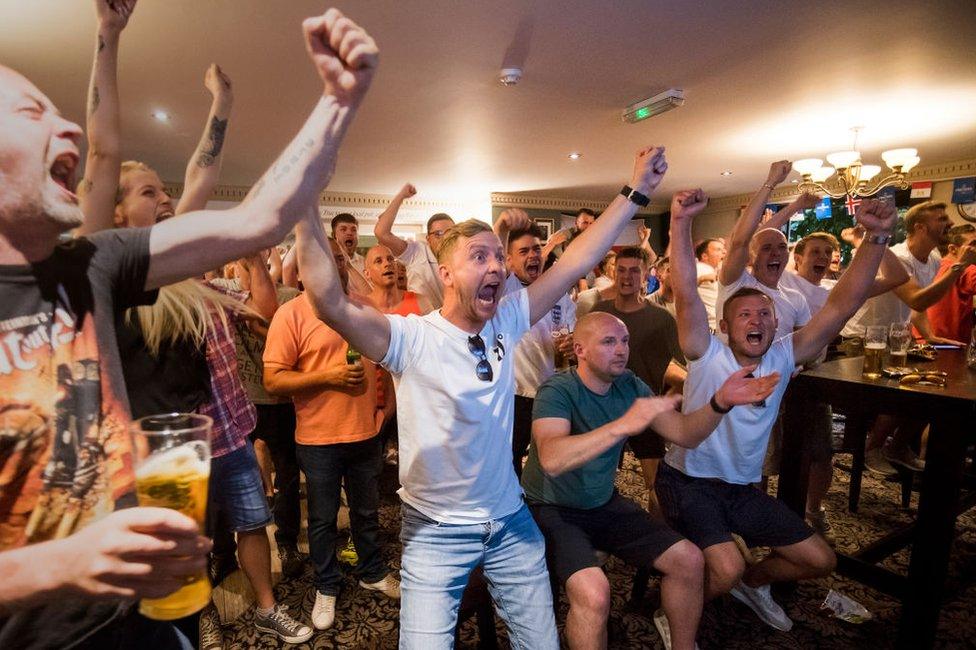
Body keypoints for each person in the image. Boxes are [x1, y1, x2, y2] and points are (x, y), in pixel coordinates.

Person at [0, 5, 379, 647]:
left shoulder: (94, 264)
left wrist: (338, 100)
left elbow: (257, 217)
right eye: (32, 114)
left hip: (137, 621)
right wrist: (60, 562)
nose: (66, 124)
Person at [293, 146, 670, 648]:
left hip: (510, 520)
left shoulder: (507, 318)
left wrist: (636, 190)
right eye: (479, 256)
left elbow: (575, 258)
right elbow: (327, 300)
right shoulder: (411, 338)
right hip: (434, 531)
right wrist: (302, 205)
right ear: (445, 274)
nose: (496, 265)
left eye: (498, 255)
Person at [659, 188, 896, 632]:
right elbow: (687, 290)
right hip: (689, 483)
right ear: (725, 327)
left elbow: (843, 303)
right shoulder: (705, 351)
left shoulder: (784, 355)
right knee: (722, 569)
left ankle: (754, 581)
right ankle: (672, 613)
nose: (757, 320)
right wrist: (679, 221)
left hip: (742, 489)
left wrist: (877, 236)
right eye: (745, 315)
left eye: (764, 315)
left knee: (820, 559)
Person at [522, 311, 777, 650]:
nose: (621, 349)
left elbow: (685, 433)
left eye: (625, 341)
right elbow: (552, 459)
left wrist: (721, 402)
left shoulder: (629, 384)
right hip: (552, 509)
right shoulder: (557, 389)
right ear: (580, 350)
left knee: (689, 559)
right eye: (609, 341)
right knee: (595, 593)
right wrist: (624, 425)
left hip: (602, 503)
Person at [263, 238, 400, 632]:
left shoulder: (363, 306)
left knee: (366, 510)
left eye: (339, 258)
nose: (334, 265)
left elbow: (386, 362)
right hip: (317, 438)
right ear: (304, 270)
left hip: (365, 433)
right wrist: (329, 377)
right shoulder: (291, 314)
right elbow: (273, 379)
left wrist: (384, 412)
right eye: (324, 259)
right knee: (323, 520)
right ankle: (326, 585)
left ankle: (371, 571)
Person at [841, 201, 973, 475]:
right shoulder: (898, 257)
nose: (948, 223)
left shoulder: (934, 257)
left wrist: (930, 335)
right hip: (860, 340)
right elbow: (915, 296)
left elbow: (917, 308)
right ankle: (872, 448)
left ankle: (898, 446)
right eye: (941, 219)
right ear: (920, 227)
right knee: (905, 392)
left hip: (893, 339)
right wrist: (959, 268)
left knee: (931, 387)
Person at [210, 254, 305, 578]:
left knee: (288, 477)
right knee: (225, 477)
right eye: (240, 261)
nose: (247, 267)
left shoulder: (290, 298)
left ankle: (287, 541)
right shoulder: (222, 294)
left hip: (280, 400)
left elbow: (295, 349)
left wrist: (259, 327)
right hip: (237, 401)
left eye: (254, 259)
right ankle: (222, 552)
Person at [591, 247, 686, 513]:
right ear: (613, 272)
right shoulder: (600, 312)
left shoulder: (662, 319)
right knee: (598, 478)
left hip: (644, 409)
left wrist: (665, 403)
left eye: (634, 270)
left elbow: (675, 368)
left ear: (646, 275)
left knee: (656, 483)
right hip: (604, 408)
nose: (626, 277)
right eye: (621, 270)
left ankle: (659, 540)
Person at [498, 224, 576, 477]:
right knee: (511, 455)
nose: (533, 255)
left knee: (551, 457)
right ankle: (513, 504)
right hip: (514, 393)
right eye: (523, 251)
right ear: (509, 259)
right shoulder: (504, 290)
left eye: (536, 249)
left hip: (552, 391)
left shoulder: (558, 291)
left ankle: (544, 505)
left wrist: (573, 344)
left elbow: (573, 331)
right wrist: (501, 228)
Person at [374, 183, 455, 313]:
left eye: (450, 232)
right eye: (438, 234)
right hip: (421, 322)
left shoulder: (460, 256)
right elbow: (381, 233)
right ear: (428, 239)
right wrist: (401, 196)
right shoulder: (416, 252)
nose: (445, 238)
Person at [925, 224, 976, 344]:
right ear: (953, 249)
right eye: (973, 244)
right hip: (948, 345)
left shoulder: (934, 265)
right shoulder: (967, 269)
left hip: (921, 341)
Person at [693, 238, 725, 331]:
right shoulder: (699, 268)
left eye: (723, 249)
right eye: (718, 250)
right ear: (704, 256)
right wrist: (702, 278)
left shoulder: (715, 271)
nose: (723, 252)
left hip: (718, 327)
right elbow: (684, 287)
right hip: (708, 328)